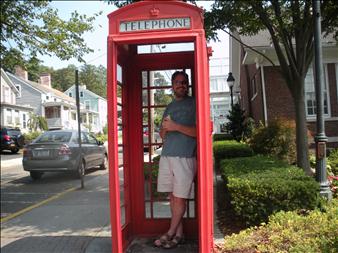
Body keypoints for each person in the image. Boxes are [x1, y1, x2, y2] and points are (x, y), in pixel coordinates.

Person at [154, 71, 197, 249]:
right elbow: (163, 134)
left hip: (184, 156)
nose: (181, 85)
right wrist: (165, 128)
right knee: (172, 197)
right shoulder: (170, 106)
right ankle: (179, 235)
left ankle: (170, 232)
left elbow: (198, 132)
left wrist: (176, 126)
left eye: (184, 82)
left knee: (180, 197)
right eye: (178, 82)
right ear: (172, 86)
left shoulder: (194, 103)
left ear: (188, 85)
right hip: (167, 155)